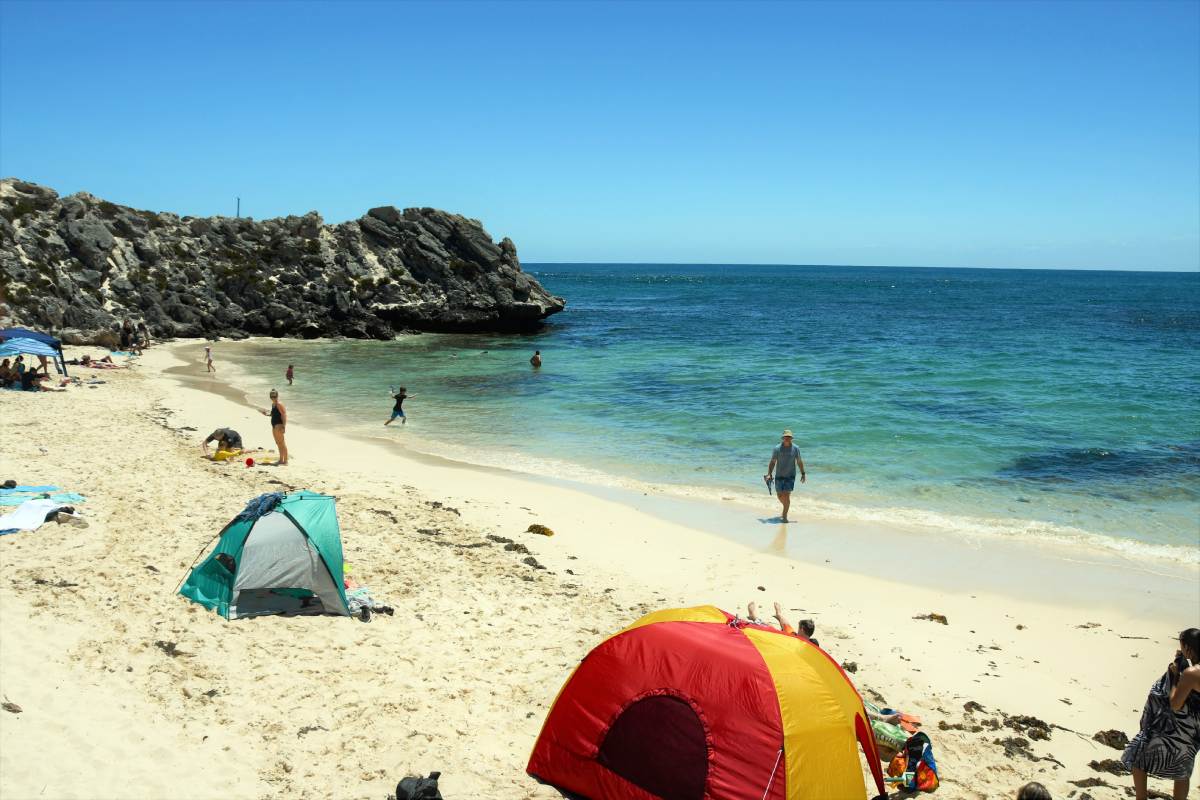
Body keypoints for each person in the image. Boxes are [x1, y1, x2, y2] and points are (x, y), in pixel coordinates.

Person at [1123, 628, 1200, 800]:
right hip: (1195, 731)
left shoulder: (1191, 673)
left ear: (1187, 648)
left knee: (1138, 755)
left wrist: (1173, 678)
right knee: (1183, 769)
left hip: (1180, 728)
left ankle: (1140, 798)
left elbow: (1175, 703)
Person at [765, 429, 806, 522]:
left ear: (791, 438)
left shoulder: (796, 448)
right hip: (779, 475)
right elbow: (772, 462)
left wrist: (803, 473)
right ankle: (786, 507)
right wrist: (769, 474)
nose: (787, 438)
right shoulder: (777, 448)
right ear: (783, 438)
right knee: (779, 495)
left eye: (789, 437)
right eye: (786, 437)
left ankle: (784, 516)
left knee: (787, 496)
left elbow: (799, 461)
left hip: (790, 476)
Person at [260, 390, 288, 465]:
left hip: (278, 425)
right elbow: (274, 415)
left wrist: (284, 426)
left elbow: (284, 415)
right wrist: (266, 414)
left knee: (282, 443)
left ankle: (285, 461)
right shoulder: (273, 405)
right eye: (272, 396)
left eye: (274, 396)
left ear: (277, 396)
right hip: (274, 425)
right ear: (270, 397)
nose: (273, 398)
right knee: (278, 443)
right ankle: (281, 460)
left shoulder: (279, 404)